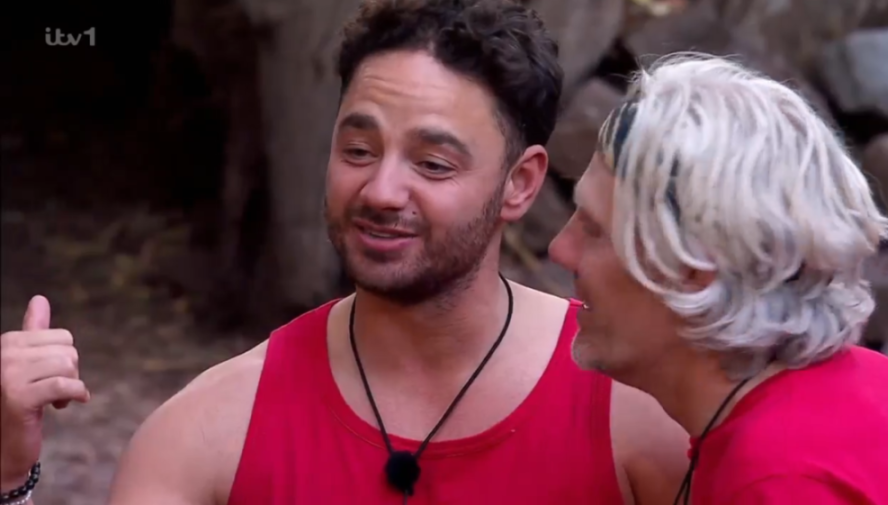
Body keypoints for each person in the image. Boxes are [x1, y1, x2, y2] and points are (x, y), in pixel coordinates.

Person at [0, 1, 690, 504]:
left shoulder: (636, 406)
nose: (382, 189)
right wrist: (7, 475)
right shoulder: (211, 432)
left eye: (433, 163)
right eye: (357, 150)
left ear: (520, 183)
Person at [549, 52, 888, 505]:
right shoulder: (870, 384)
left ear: (692, 270)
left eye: (595, 230)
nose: (561, 249)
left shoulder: (778, 481)